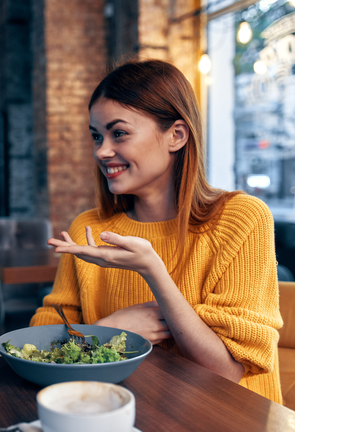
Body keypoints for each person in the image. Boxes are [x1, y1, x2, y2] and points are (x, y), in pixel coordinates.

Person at [31, 59, 283, 404]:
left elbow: (225, 372)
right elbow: (38, 344)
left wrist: (153, 271)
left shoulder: (241, 219)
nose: (102, 151)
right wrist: (109, 332)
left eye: (118, 133)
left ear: (176, 135)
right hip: (115, 414)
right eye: (96, 136)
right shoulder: (89, 228)